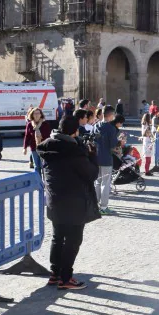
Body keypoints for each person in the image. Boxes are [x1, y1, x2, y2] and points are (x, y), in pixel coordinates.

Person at [36, 115, 100, 291]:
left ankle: (55, 274)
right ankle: (66, 278)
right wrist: (93, 156)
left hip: (54, 199)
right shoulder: (73, 152)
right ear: (75, 132)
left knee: (58, 237)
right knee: (73, 239)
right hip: (74, 201)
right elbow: (91, 174)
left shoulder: (48, 147)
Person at [93, 107, 118, 214]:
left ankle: (95, 205)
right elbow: (113, 146)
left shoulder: (96, 125)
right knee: (106, 183)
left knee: (97, 182)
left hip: (96, 158)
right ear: (111, 115)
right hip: (106, 158)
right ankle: (103, 207)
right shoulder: (111, 128)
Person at [23, 107, 53, 172]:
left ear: (41, 115)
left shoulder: (45, 124)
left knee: (43, 166)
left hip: (43, 148)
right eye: (35, 113)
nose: (36, 115)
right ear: (32, 115)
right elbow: (27, 136)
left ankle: (44, 181)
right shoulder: (29, 125)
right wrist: (24, 148)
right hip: (34, 148)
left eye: (38, 113)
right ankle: (38, 181)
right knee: (36, 167)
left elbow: (48, 136)